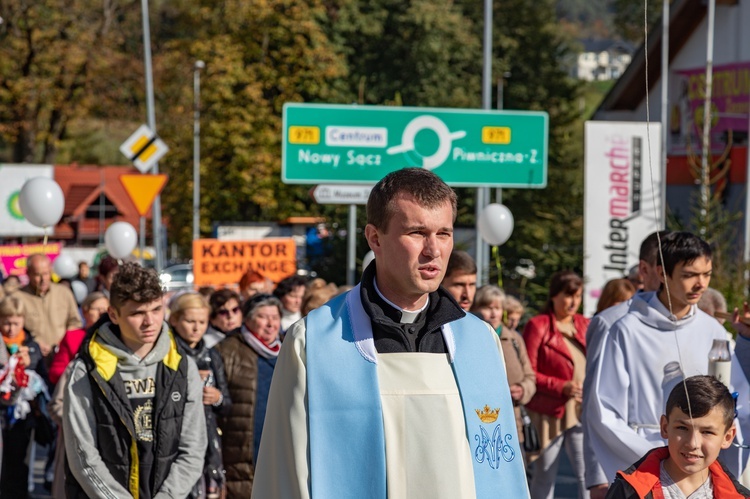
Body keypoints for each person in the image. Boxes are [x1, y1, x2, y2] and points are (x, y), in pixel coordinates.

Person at [252, 168, 529, 498]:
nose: (434, 250)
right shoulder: (312, 341)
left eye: (444, 233)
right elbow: (284, 475)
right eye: (416, 233)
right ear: (374, 238)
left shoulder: (480, 341)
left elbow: (501, 471)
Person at [588, 231, 729, 484]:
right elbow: (603, 409)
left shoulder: (714, 331)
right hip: (644, 460)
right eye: (689, 275)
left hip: (700, 464)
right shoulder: (626, 330)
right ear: (662, 273)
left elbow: (733, 402)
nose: (701, 284)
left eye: (706, 274)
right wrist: (655, 459)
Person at [63, 262, 206, 499]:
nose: (149, 321)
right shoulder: (86, 370)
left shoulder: (182, 365)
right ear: (113, 315)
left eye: (156, 310)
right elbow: (83, 456)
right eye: (137, 313)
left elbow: (193, 447)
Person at [583, 230, 669, 498]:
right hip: (627, 459)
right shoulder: (611, 322)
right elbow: (595, 404)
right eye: (665, 270)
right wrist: (597, 475)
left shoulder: (695, 323)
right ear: (645, 270)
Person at [605, 376, 750, 498]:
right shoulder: (628, 492)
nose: (693, 443)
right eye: (682, 428)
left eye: (707, 432)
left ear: (727, 437)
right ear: (664, 427)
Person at [523, 270, 590, 499]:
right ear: (554, 295)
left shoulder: (585, 324)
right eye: (568, 295)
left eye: (578, 296)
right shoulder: (537, 325)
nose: (573, 302)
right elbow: (529, 373)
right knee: (545, 476)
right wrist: (562, 386)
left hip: (581, 409)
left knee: (587, 476)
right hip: (549, 412)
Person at [214, 293, 282, 496]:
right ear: (248, 319)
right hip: (241, 462)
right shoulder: (226, 351)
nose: (270, 324)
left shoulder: (290, 348)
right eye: (263, 317)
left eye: (275, 317)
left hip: (281, 453)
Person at [169, 293, 231, 499]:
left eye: (202, 322)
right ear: (175, 320)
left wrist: (218, 397)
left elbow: (227, 404)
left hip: (209, 438)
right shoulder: (168, 354)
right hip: (177, 440)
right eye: (190, 321)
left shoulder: (211, 354)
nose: (196, 328)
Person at [471, 285, 536, 455]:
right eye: (487, 307)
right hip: (478, 424)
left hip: (513, 425)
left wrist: (523, 389)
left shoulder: (514, 339)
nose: (493, 313)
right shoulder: (470, 337)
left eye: (497, 308)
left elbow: (530, 375)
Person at [13, 253, 82, 357]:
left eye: (46, 273)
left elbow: (75, 322)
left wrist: (64, 343)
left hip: (61, 356)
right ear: (28, 274)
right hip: (32, 357)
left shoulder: (64, 293)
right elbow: (12, 328)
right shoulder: (17, 298)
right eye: (37, 275)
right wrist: (34, 345)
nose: (43, 279)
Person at [48, 291, 109, 385]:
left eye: (105, 310)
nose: (102, 314)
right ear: (85, 312)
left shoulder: (115, 337)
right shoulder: (72, 337)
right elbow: (56, 372)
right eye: (97, 309)